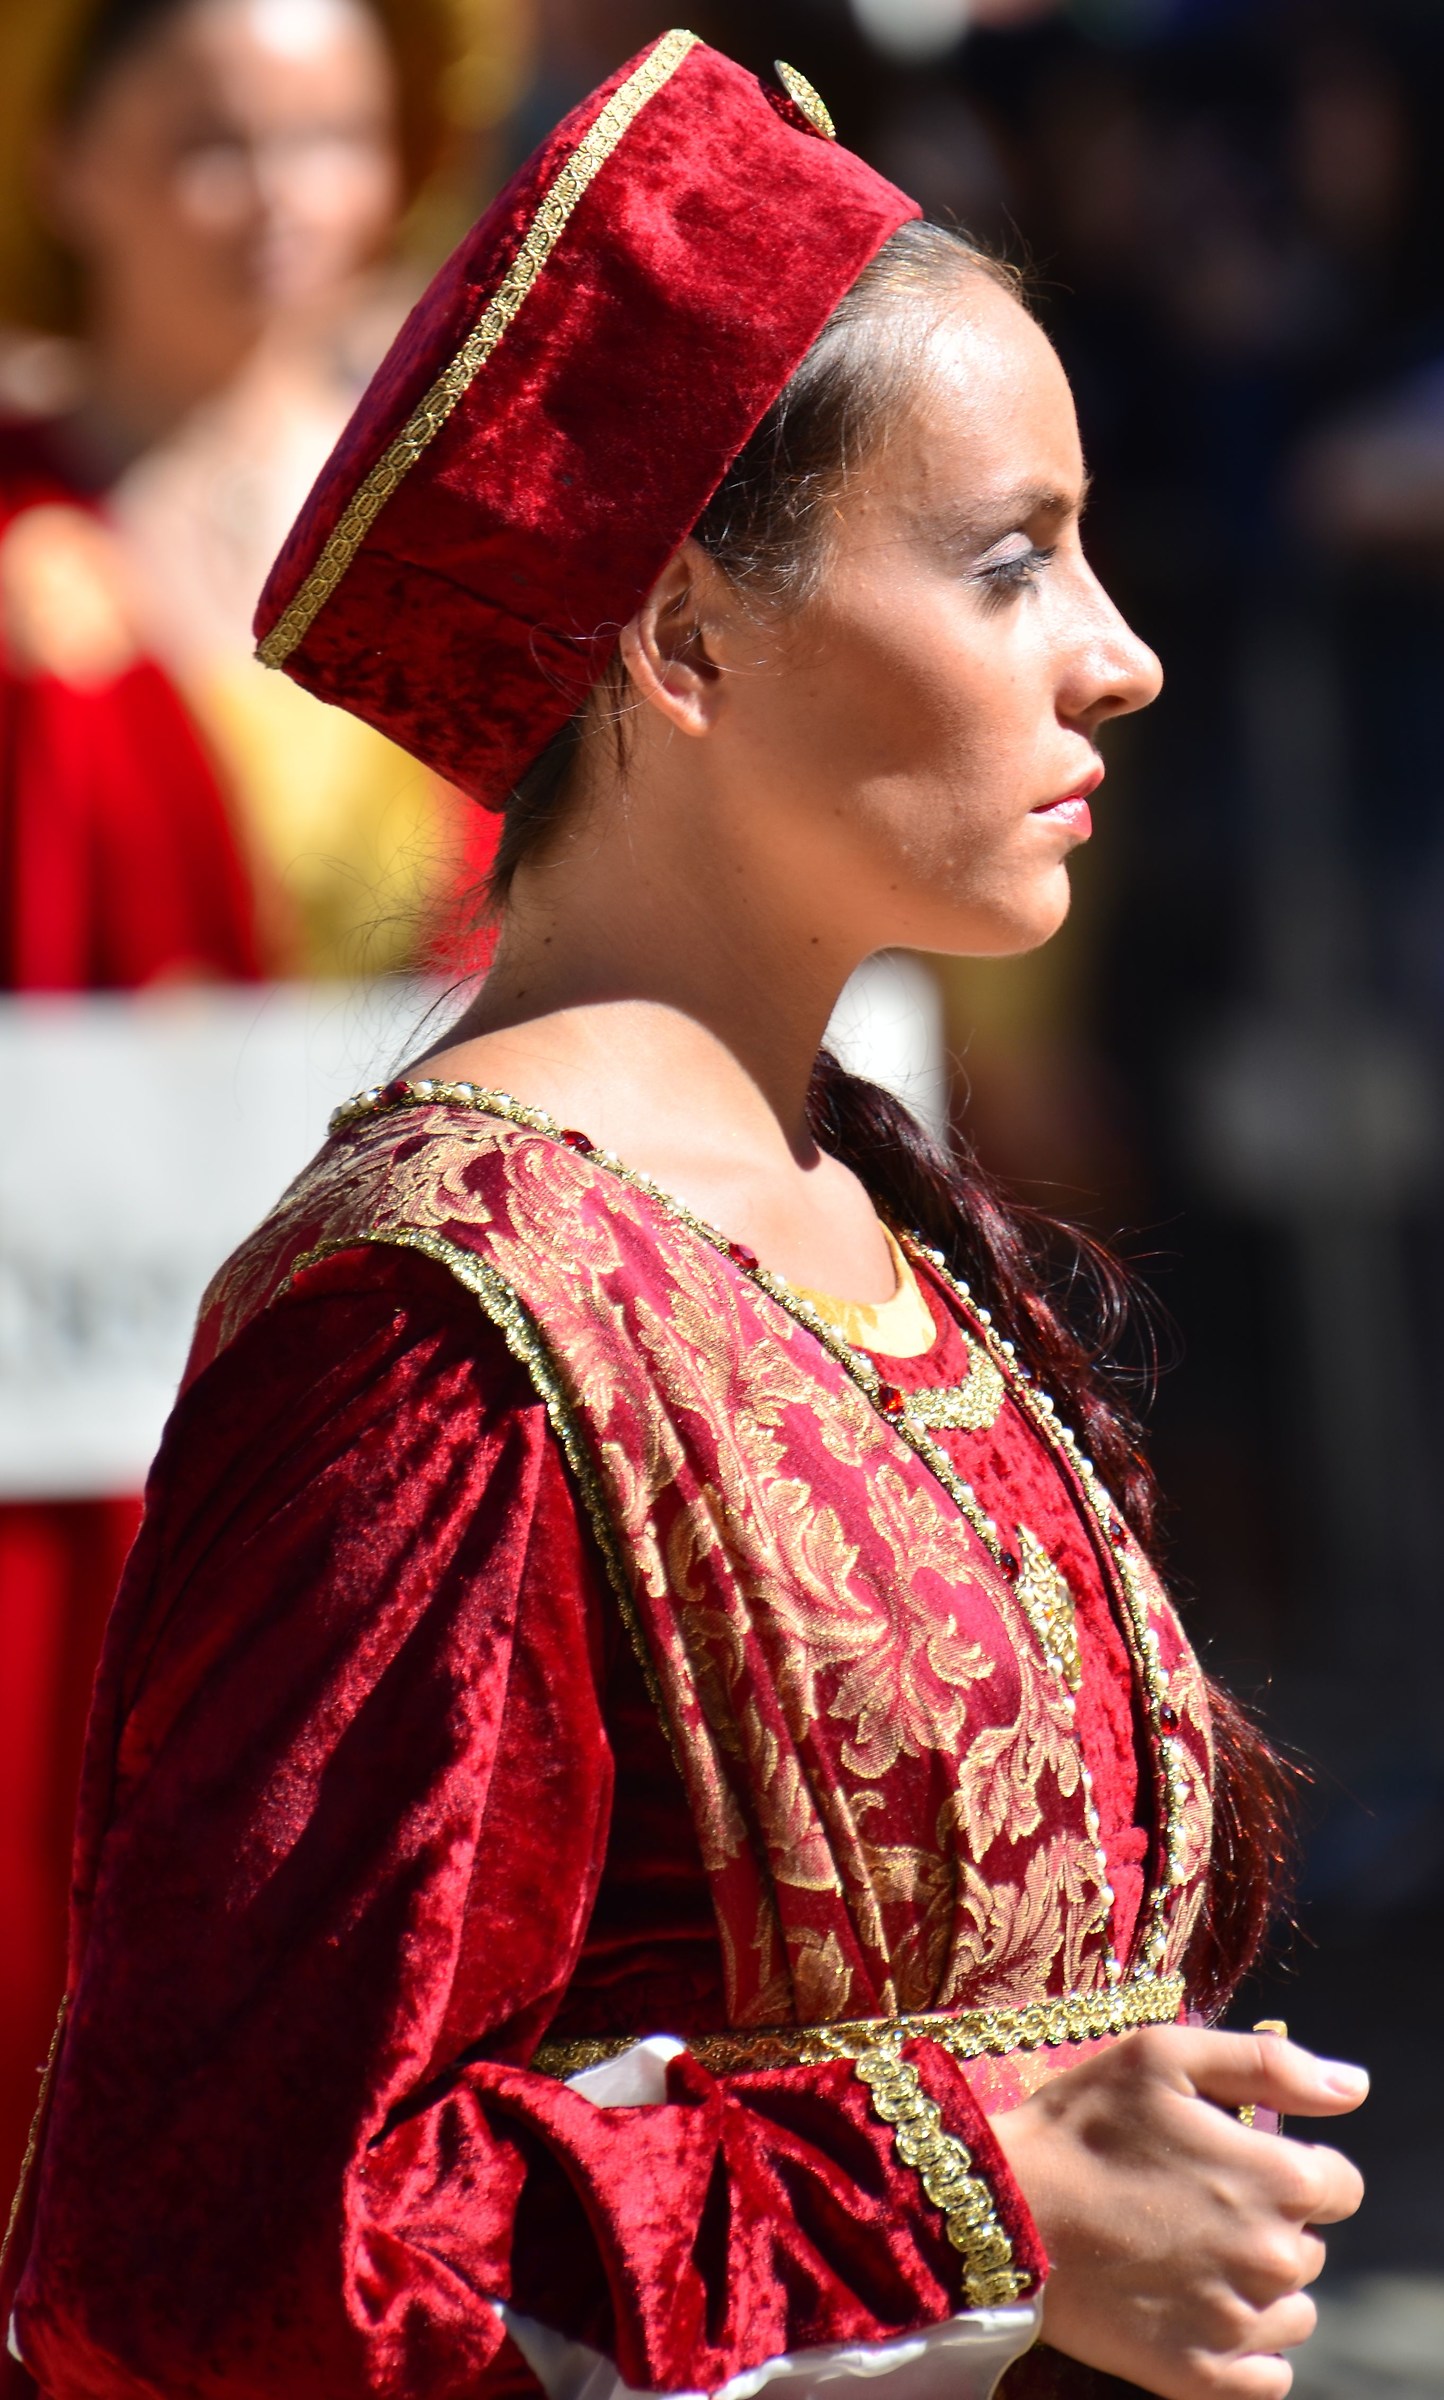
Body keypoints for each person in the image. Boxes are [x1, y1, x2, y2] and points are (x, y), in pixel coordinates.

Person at [6, 35, 1367, 2400]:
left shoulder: (865, 1210)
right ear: (684, 638)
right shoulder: (436, 1333)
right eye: (1008, 558)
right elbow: (207, 2254)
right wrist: (991, 2185)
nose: (1115, 652)